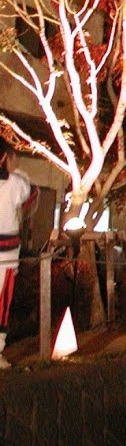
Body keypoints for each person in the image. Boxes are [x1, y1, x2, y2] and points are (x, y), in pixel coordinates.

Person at [0, 138, 34, 369]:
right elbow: (31, 193)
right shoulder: (15, 182)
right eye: (13, 157)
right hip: (5, 255)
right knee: (1, 303)